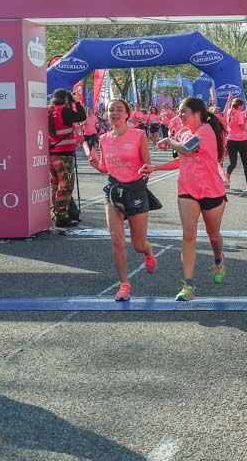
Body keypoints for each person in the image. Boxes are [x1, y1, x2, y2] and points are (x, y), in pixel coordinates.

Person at [146, 98, 229, 301]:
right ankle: (188, 286)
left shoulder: (206, 131)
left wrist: (169, 141)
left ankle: (218, 260)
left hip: (211, 191)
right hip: (187, 189)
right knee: (189, 234)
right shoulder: (183, 133)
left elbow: (188, 149)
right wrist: (155, 168)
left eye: (184, 111)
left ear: (197, 113)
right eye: (179, 111)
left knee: (213, 236)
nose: (179, 115)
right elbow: (182, 159)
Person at [87, 99, 158, 301]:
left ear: (127, 114)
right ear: (107, 115)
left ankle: (148, 250)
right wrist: (95, 164)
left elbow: (147, 166)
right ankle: (124, 284)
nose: (115, 113)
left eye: (119, 109)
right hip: (113, 190)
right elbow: (105, 168)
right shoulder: (104, 139)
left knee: (138, 244)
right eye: (111, 110)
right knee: (117, 240)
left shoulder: (139, 135)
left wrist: (137, 183)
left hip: (135, 190)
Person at [47, 88, 87, 229]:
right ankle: (62, 216)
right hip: (64, 155)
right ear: (65, 99)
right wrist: (77, 102)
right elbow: (81, 116)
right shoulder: (63, 110)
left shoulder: (49, 111)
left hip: (52, 154)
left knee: (55, 185)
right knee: (66, 186)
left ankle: (55, 213)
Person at [223, 97, 247, 190]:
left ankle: (227, 176)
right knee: (245, 163)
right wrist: (246, 118)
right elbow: (242, 127)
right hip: (241, 140)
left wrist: (228, 100)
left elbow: (224, 112)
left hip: (230, 139)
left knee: (233, 163)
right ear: (240, 106)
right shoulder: (239, 113)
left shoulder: (229, 111)